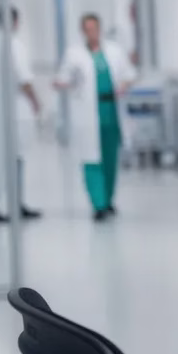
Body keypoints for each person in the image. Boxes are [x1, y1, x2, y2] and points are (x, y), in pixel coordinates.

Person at [54, 13, 136, 221]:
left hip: (111, 111)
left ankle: (108, 201)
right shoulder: (74, 53)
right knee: (91, 159)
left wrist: (124, 85)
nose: (92, 32)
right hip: (88, 114)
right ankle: (98, 204)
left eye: (95, 28)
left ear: (100, 29)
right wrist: (64, 82)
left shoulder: (114, 51)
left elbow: (129, 74)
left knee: (109, 159)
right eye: (87, 29)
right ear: (83, 31)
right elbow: (62, 77)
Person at [0, 7, 44, 222]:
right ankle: (5, 203)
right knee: (14, 159)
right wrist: (36, 101)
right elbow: (24, 79)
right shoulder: (14, 45)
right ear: (16, 22)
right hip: (14, 111)